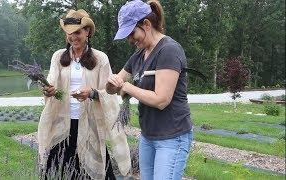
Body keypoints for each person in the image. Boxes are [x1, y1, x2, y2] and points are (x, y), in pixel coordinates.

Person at [38, 9, 131, 180]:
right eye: (69, 34)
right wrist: (48, 89)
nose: (73, 37)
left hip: (89, 122)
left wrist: (93, 93)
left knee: (95, 169)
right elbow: (51, 80)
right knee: (54, 171)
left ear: (87, 32)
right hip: (63, 123)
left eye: (77, 32)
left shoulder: (100, 58)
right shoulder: (58, 57)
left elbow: (109, 92)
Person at [106, 0, 193, 179]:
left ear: (146, 24)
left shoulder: (168, 50)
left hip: (172, 137)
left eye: (132, 33)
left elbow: (161, 100)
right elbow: (113, 88)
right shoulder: (138, 55)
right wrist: (112, 82)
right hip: (148, 136)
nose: (130, 40)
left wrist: (128, 87)